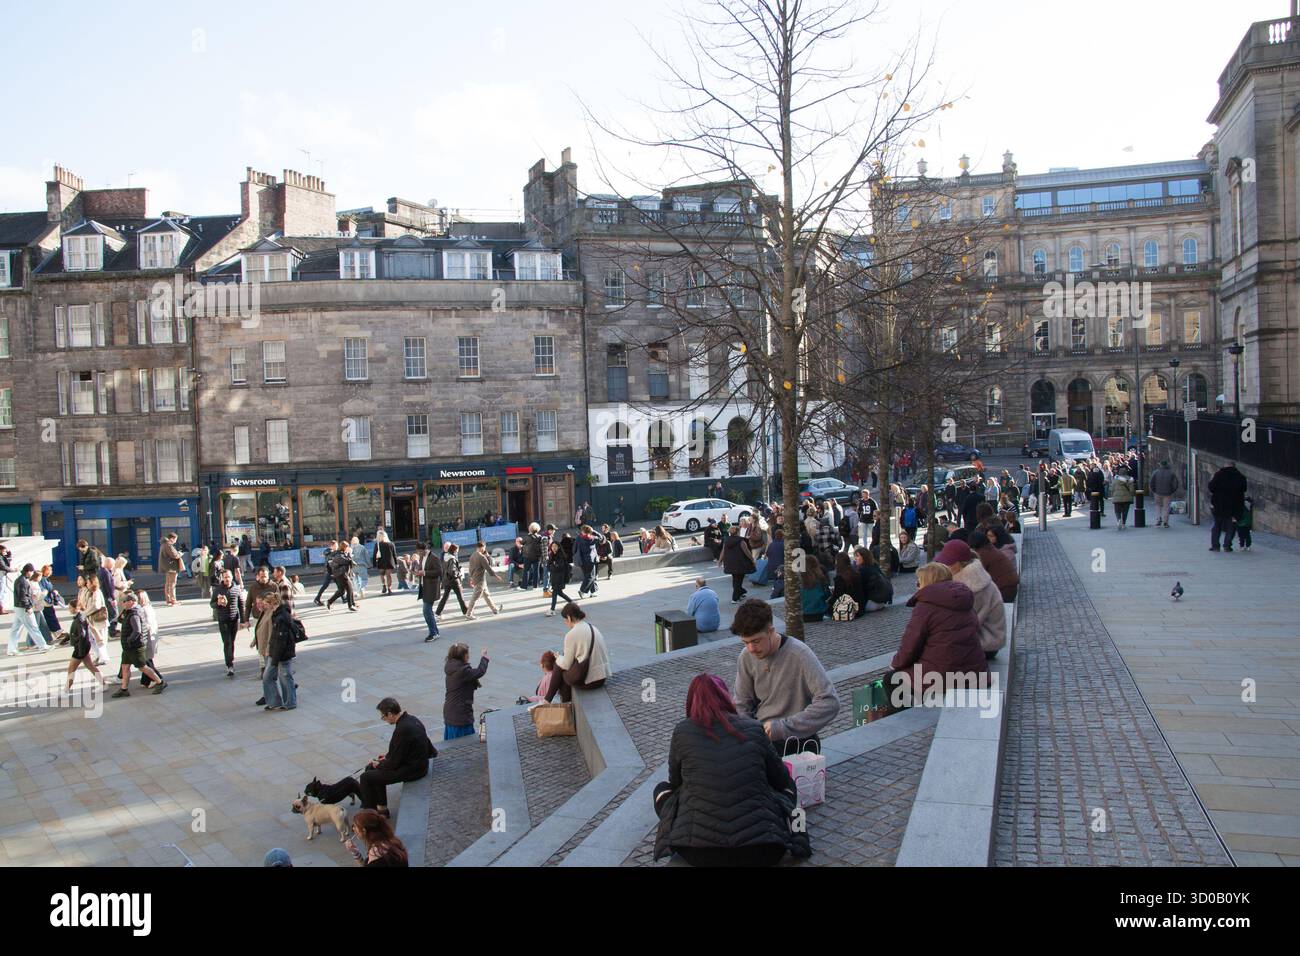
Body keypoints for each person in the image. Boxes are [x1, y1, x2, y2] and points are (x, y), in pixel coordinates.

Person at [652, 674, 810, 867]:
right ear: (726, 697)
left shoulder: (682, 731)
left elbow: (676, 783)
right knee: (785, 787)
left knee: (662, 790)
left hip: (697, 854)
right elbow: (781, 780)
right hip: (764, 851)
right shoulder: (754, 728)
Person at [731, 599, 838, 749]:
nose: (751, 649)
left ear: (771, 631)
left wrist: (783, 727)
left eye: (756, 641)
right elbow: (742, 704)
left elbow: (830, 702)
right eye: (745, 642)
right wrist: (748, 732)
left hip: (795, 739)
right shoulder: (746, 656)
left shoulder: (799, 654)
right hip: (760, 737)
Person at [888, 563, 986, 703]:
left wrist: (896, 664)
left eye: (919, 582)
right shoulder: (964, 600)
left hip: (943, 675)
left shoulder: (926, 606)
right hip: (974, 672)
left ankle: (907, 714)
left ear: (928, 582)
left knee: (891, 680)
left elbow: (911, 644)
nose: (917, 586)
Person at [359, 698, 436, 814]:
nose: (384, 719)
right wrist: (385, 758)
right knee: (371, 769)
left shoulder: (402, 730)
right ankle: (382, 809)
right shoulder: (411, 719)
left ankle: (370, 816)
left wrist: (379, 764)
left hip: (413, 770)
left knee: (366, 778)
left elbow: (393, 763)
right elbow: (401, 751)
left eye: (383, 717)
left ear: (390, 714)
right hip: (419, 764)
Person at [935, 539, 1005, 657]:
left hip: (985, 643)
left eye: (947, 563)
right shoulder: (971, 577)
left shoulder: (973, 586)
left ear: (959, 563)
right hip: (981, 638)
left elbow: (964, 623)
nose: (944, 567)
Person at [542, 603, 611, 703]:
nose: (565, 623)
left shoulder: (571, 634)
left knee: (558, 667)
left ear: (569, 618)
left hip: (590, 680)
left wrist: (558, 658)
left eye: (565, 620)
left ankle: (550, 700)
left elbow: (566, 664)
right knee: (563, 667)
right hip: (601, 677)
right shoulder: (592, 627)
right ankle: (558, 702)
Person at [111, 592, 166, 698]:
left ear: (131, 602)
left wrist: (129, 640)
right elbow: (121, 620)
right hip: (128, 647)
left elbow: (137, 631)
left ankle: (160, 682)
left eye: (124, 601)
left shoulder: (134, 614)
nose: (122, 603)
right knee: (125, 666)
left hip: (135, 647)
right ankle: (124, 689)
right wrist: (123, 612)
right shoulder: (130, 611)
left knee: (142, 667)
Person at [263, 591, 301, 711]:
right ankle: (279, 702)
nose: (265, 607)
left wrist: (274, 659)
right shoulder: (278, 614)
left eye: (266, 604)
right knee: (279, 677)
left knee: (284, 677)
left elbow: (281, 640)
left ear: (272, 603)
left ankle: (289, 702)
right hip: (277, 652)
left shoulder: (281, 617)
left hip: (282, 654)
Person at [443, 642, 489, 739]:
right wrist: (484, 657)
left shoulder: (451, 666)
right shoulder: (462, 671)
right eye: (467, 654)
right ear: (462, 656)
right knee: (463, 743)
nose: (468, 656)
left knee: (452, 743)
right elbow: (480, 671)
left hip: (451, 712)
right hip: (459, 715)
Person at [8, 565, 49, 656]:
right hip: (23, 608)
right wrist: (28, 607)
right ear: (28, 571)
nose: (32, 573)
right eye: (32, 572)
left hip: (19, 607)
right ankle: (42, 646)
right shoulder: (23, 581)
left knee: (16, 629)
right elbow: (23, 596)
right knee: (33, 626)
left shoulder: (21, 580)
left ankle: (11, 649)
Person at [345, 809, 409, 867]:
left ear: (364, 831)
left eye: (355, 826)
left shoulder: (375, 854)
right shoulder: (392, 842)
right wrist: (355, 852)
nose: (353, 829)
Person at [1208, 461, 1248, 553]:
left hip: (1219, 504)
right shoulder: (1240, 477)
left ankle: (1215, 546)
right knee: (1231, 526)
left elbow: (1211, 488)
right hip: (1235, 505)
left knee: (1217, 525)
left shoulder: (1218, 475)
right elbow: (1244, 489)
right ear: (1234, 467)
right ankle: (1227, 545)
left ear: (1225, 466)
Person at [211, 569, 244, 676]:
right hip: (223, 619)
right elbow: (212, 604)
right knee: (227, 642)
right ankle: (229, 664)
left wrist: (243, 620)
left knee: (232, 641)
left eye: (228, 577)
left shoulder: (236, 588)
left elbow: (241, 604)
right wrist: (218, 603)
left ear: (232, 577)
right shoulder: (217, 589)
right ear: (222, 578)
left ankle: (231, 659)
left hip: (234, 619)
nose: (227, 579)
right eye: (225, 577)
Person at [969, 532, 1018, 603]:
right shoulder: (990, 548)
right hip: (1010, 588)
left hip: (1004, 592)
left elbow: (977, 575)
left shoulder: (983, 553)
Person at [63, 608, 103, 693]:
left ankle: (65, 691)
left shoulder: (79, 620)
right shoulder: (81, 617)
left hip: (80, 648)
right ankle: (103, 684)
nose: (69, 609)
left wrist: (80, 651)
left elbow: (82, 635)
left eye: (70, 607)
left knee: (71, 669)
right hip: (83, 647)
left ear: (75, 608)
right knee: (90, 666)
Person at [465, 541, 504, 618]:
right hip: (480, 580)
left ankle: (495, 610)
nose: (485, 549)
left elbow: (470, 569)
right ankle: (469, 614)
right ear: (482, 547)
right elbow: (489, 568)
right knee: (475, 597)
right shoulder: (482, 557)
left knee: (486, 595)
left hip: (476, 578)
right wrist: (497, 576)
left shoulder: (473, 555)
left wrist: (471, 578)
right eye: (484, 547)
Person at [416, 544, 444, 643]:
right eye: (418, 551)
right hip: (424, 587)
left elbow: (439, 571)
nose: (419, 553)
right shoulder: (421, 557)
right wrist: (418, 572)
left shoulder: (434, 558)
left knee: (426, 610)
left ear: (425, 550)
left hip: (431, 588)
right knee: (428, 611)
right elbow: (423, 568)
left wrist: (425, 573)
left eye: (420, 551)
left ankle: (433, 633)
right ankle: (435, 632)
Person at [720, 525, 755, 603]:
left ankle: (741, 592)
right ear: (738, 532)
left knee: (735, 579)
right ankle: (735, 598)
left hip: (730, 563)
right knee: (738, 580)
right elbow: (747, 552)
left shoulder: (726, 540)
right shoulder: (741, 541)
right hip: (740, 563)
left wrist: (720, 561)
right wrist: (752, 560)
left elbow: (723, 551)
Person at [436, 543, 469, 617]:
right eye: (457, 551)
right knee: (460, 597)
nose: (457, 552)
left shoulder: (445, 556)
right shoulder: (452, 558)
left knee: (445, 597)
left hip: (446, 580)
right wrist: (459, 573)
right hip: (454, 580)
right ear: (454, 550)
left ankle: (438, 613)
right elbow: (453, 571)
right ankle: (466, 613)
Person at [544, 541, 576, 617]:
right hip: (554, 577)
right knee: (560, 593)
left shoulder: (560, 556)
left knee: (555, 593)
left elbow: (559, 567)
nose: (554, 548)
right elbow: (548, 567)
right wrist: (553, 565)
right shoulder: (552, 555)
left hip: (559, 578)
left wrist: (552, 566)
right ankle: (572, 603)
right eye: (552, 546)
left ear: (558, 547)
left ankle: (552, 610)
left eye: (555, 546)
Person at [831, 552, 867, 619]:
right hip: (859, 608)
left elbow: (838, 595)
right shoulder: (856, 574)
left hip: (847, 608)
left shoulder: (839, 578)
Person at [325, 543, 358, 612]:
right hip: (341, 574)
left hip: (341, 574)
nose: (348, 548)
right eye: (347, 547)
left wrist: (348, 554)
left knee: (341, 591)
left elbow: (349, 562)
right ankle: (350, 606)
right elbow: (348, 561)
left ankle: (329, 602)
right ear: (344, 547)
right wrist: (349, 554)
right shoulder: (339, 555)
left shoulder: (342, 554)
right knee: (350, 589)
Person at [1149, 459, 1179, 528]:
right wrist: (1172, 490)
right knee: (1166, 507)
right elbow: (1175, 483)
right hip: (1168, 492)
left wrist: (1154, 490)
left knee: (1158, 506)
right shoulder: (1171, 473)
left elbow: (1151, 482)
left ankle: (1158, 519)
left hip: (1157, 492)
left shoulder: (1156, 472)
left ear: (1160, 465)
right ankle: (1165, 522)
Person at [159, 533, 183, 606]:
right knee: (172, 584)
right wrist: (180, 554)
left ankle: (168, 600)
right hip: (171, 567)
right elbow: (175, 555)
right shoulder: (168, 545)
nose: (175, 541)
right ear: (172, 538)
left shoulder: (163, 544)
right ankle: (173, 600)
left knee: (168, 584)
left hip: (167, 567)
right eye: (175, 539)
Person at [575, 526, 599, 599]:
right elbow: (602, 538)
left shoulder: (578, 538)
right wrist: (595, 532)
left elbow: (574, 548)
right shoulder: (592, 538)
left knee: (588, 575)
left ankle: (593, 591)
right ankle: (582, 591)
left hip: (581, 560)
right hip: (590, 560)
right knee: (591, 576)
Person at [313, 540, 340, 606]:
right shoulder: (330, 552)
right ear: (332, 546)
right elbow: (330, 555)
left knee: (339, 585)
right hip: (330, 571)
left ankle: (344, 597)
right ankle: (317, 598)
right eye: (336, 546)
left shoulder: (330, 551)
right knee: (326, 585)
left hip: (332, 571)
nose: (337, 547)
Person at [1110, 465, 1136, 530]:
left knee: (1117, 511)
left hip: (1117, 497)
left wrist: (1113, 495)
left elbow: (1112, 488)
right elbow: (1132, 490)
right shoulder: (1129, 479)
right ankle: (1124, 523)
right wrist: (1132, 495)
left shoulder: (1116, 479)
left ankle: (1119, 520)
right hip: (1127, 498)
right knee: (1125, 511)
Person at [373, 530, 398, 595]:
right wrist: (396, 563)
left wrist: (374, 564)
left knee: (382, 574)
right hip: (389, 561)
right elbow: (394, 554)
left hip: (381, 561)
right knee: (389, 575)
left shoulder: (377, 544)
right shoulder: (391, 544)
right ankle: (389, 588)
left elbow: (374, 554)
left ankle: (384, 586)